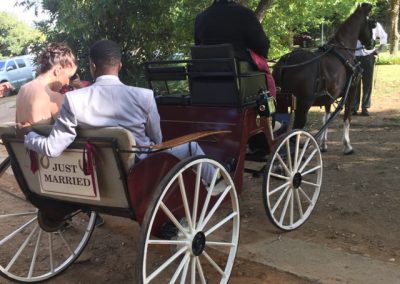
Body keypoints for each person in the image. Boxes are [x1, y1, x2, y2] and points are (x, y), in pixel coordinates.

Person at [24, 40, 218, 190]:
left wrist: (29, 136)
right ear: (120, 66)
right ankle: (215, 185)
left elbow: (52, 148)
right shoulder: (144, 96)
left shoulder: (74, 100)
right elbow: (157, 140)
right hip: (142, 169)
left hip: (98, 173)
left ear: (93, 66)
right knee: (192, 146)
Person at [194, 0, 277, 102]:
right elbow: (262, 45)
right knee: (267, 75)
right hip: (237, 71)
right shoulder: (244, 13)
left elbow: (198, 46)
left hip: (208, 74)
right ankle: (269, 111)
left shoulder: (200, 17)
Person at [16, 43, 77, 127]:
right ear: (58, 70)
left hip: (23, 140)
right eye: (68, 77)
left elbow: (17, 125)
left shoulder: (23, 90)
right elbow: (72, 128)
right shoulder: (53, 97)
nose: (67, 83)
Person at [352, 22, 387, 116]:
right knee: (355, 82)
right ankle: (354, 107)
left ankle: (365, 108)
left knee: (367, 83)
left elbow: (384, 36)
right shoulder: (355, 23)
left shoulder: (374, 25)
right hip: (355, 56)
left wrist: (379, 49)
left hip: (368, 56)